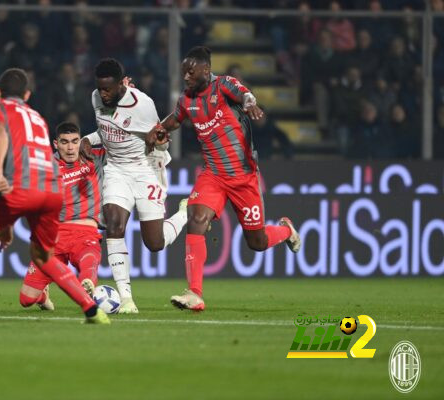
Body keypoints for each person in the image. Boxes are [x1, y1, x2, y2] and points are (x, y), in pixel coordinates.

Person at [0, 68, 109, 324]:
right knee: (42, 257)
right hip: (50, 191)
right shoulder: (38, 118)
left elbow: (0, 132)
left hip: (21, 186)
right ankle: (91, 309)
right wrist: (7, 221)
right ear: (27, 94)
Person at [147, 46, 301, 311]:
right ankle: (194, 293)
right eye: (184, 73)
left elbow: (245, 95)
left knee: (257, 242)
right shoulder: (186, 99)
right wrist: (159, 128)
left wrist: (251, 103)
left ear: (206, 70)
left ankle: (286, 231)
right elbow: (176, 119)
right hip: (214, 175)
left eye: (191, 73)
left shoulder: (223, 85)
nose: (186, 78)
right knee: (196, 218)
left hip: (244, 177)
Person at [80, 58, 188, 314]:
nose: (103, 94)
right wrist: (87, 139)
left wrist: (160, 140)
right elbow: (107, 131)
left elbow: (159, 139)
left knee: (155, 243)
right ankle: (126, 298)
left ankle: (184, 212)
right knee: (114, 226)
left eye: (108, 89)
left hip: (146, 170)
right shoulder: (96, 97)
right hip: (116, 169)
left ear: (121, 84)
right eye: (100, 88)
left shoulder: (142, 105)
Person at [19, 121, 104, 311]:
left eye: (75, 141)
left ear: (81, 141)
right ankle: (43, 295)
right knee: (26, 300)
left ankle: (87, 284)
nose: (70, 147)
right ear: (56, 144)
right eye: (64, 142)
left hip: (85, 233)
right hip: (53, 237)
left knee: (88, 260)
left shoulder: (93, 158)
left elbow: (123, 147)